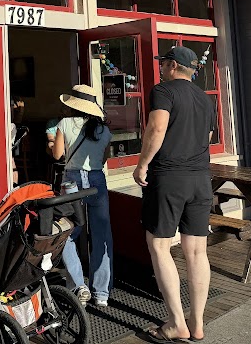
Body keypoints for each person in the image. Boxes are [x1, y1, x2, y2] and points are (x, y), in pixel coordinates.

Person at [133, 46, 215, 343]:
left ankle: (176, 324)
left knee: (159, 245)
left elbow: (157, 128)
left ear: (171, 66)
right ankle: (198, 323)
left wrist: (142, 165)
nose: (160, 69)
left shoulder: (164, 91)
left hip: (168, 177)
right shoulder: (205, 100)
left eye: (162, 64)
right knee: (196, 251)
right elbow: (206, 137)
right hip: (200, 179)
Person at [51, 84, 113, 307]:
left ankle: (79, 285)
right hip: (96, 180)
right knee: (102, 236)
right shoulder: (104, 130)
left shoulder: (65, 123)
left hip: (72, 181)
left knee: (66, 232)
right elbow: (103, 159)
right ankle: (102, 293)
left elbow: (57, 154)